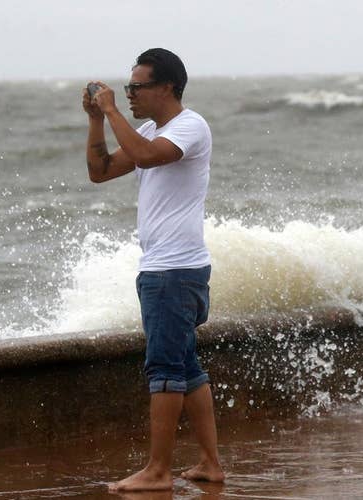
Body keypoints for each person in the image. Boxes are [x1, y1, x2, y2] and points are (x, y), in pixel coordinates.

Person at [82, 48, 225, 491]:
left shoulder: (190, 127)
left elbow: (144, 155)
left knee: (164, 369)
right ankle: (210, 464)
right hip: (168, 269)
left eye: (136, 87)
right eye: (126, 89)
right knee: (187, 368)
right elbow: (101, 171)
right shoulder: (145, 130)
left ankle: (158, 471)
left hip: (174, 271)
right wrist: (96, 120)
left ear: (166, 87)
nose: (128, 95)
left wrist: (109, 109)